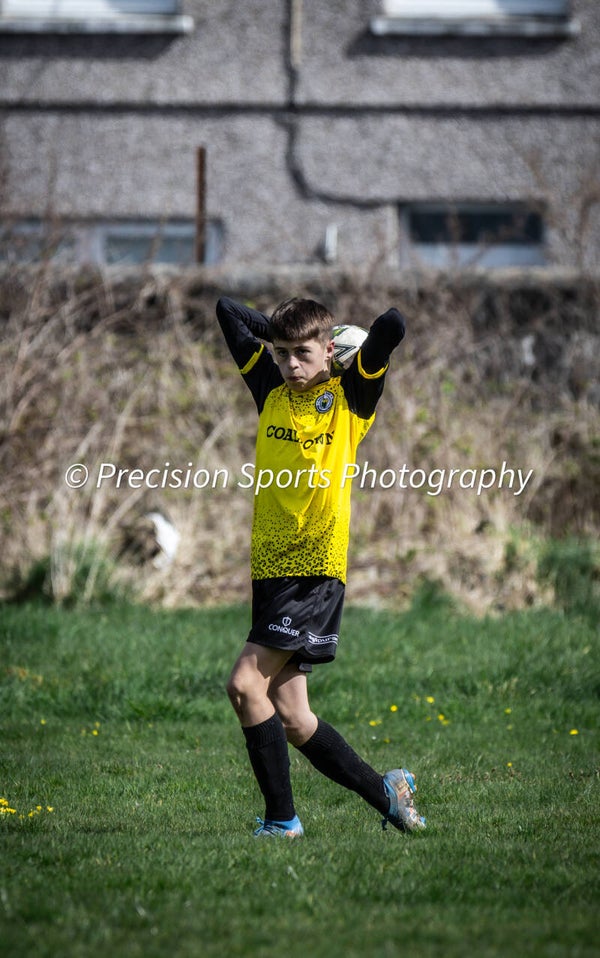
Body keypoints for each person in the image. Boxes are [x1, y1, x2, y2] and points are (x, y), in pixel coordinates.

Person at [216, 294, 425, 838]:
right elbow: (226, 310)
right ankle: (388, 792)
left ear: (328, 350)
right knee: (293, 718)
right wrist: (284, 332)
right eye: (281, 353)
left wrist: (346, 350)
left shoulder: (351, 394)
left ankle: (282, 822)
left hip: (314, 572)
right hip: (270, 569)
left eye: (302, 354)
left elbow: (393, 325)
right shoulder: (270, 390)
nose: (289, 364)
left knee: (244, 686)